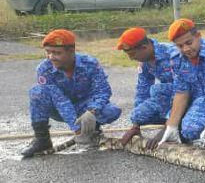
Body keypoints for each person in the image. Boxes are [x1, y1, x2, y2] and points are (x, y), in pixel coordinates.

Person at [21, 29, 121, 158]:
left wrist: (92, 111)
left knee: (112, 110)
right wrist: (76, 129)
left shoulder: (90, 63)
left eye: (57, 53)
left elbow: (102, 90)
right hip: (59, 109)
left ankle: (92, 130)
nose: (51, 57)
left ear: (71, 51)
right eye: (48, 52)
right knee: (37, 92)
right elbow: (60, 101)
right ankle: (42, 140)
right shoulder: (44, 69)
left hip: (85, 108)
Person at [150, 18, 205, 150]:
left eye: (189, 43)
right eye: (180, 46)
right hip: (201, 100)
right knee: (189, 130)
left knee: (196, 127)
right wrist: (171, 126)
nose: (186, 49)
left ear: (198, 36)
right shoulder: (177, 59)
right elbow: (181, 93)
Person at [115, 27, 177, 146]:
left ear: (144, 47)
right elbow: (142, 90)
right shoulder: (145, 62)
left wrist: (168, 127)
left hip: (189, 95)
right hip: (169, 99)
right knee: (136, 115)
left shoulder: (172, 54)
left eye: (133, 54)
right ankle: (173, 119)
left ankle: (176, 122)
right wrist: (136, 125)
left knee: (158, 90)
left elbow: (186, 88)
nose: (131, 58)